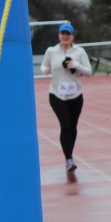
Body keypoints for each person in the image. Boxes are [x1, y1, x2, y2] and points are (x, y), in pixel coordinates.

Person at [40, 22, 92, 172]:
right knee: (66, 125)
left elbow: (89, 72)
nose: (65, 36)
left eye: (68, 34)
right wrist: (46, 70)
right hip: (57, 95)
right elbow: (43, 65)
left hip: (75, 95)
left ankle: (69, 153)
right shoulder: (51, 51)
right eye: (63, 33)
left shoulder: (80, 51)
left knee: (73, 127)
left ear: (72, 36)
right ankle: (68, 159)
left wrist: (76, 65)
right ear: (59, 35)